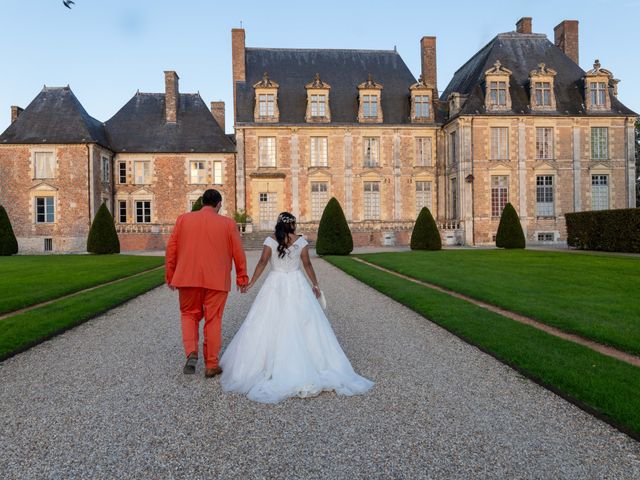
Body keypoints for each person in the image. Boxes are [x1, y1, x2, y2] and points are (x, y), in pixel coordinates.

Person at [220, 212, 373, 403]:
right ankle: (308, 365)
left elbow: (262, 262)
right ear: (293, 225)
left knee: (267, 322)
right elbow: (307, 264)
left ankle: (267, 366)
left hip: (274, 283)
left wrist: (251, 283)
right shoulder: (300, 241)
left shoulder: (270, 240)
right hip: (296, 282)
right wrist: (315, 285)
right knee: (305, 323)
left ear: (278, 224)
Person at [165, 189, 248, 378]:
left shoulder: (183, 219)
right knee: (213, 319)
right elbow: (238, 252)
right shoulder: (228, 223)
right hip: (217, 280)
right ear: (219, 204)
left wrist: (170, 275)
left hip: (187, 277)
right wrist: (242, 277)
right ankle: (211, 364)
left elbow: (172, 249)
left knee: (189, 315)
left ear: (202, 202)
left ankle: (191, 351)